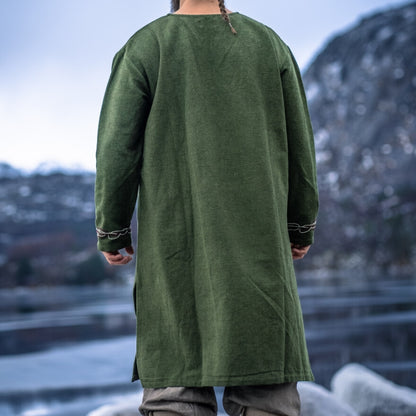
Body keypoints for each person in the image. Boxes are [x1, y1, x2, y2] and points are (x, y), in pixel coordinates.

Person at [95, 0, 319, 415]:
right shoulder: (269, 45)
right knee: (267, 394)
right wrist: (300, 225)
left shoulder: (145, 47)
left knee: (175, 396)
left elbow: (116, 152)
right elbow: (301, 150)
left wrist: (113, 229)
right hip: (262, 254)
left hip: (175, 257)